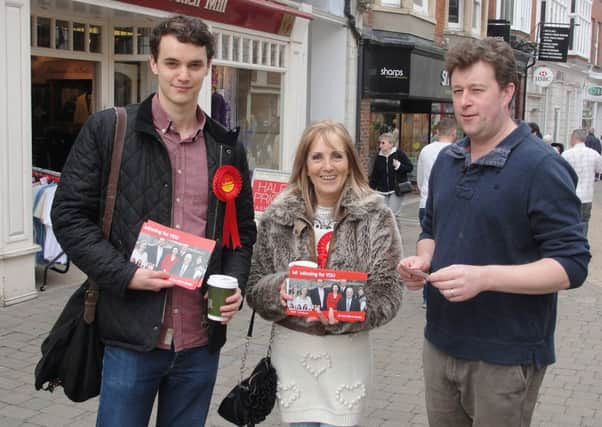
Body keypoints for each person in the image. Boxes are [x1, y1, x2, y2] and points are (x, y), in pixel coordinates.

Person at [50, 15, 256, 426]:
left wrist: (235, 285)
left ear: (207, 67)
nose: (184, 75)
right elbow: (69, 216)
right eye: (173, 63)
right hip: (131, 336)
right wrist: (124, 274)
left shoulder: (226, 147)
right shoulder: (110, 129)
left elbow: (242, 234)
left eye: (194, 65)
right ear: (154, 64)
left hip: (200, 340)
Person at [397, 38, 590, 427]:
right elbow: (431, 228)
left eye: (477, 90)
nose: (464, 101)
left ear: (507, 92)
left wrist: (484, 278)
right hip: (440, 343)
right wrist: (424, 259)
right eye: (457, 91)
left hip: (505, 356)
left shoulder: (541, 167)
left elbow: (573, 265)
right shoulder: (448, 161)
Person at [245, 120, 403, 427]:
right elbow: (254, 284)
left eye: (336, 156)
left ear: (350, 163)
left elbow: (389, 291)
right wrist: (278, 289)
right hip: (292, 355)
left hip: (346, 359)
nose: (327, 166)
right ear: (304, 164)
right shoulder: (278, 215)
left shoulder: (375, 215)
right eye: (317, 157)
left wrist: (348, 311)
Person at [416, 117, 457, 309]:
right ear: (453, 133)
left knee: (427, 245)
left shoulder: (426, 150)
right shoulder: (456, 152)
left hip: (425, 202)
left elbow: (420, 177)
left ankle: (427, 295)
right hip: (447, 205)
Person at [368, 132, 413, 230]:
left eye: (383, 143)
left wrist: (399, 166)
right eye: (380, 143)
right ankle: (387, 238)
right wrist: (369, 190)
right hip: (382, 191)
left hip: (395, 190)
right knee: (384, 216)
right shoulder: (378, 157)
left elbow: (410, 167)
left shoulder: (399, 154)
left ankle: (396, 240)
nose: (380, 145)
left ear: (391, 144)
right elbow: (375, 175)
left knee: (392, 215)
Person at [562, 128, 602, 236]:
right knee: (584, 222)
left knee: (569, 222)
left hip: (570, 194)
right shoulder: (594, 154)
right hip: (586, 195)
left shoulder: (566, 154)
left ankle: (570, 245)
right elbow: (600, 169)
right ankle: (582, 245)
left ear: (574, 138)